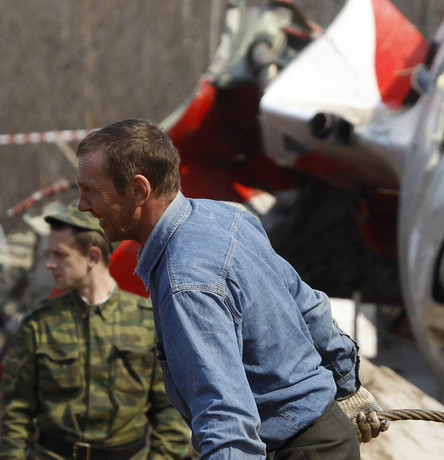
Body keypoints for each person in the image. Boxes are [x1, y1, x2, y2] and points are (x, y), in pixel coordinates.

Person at [75, 119, 386, 459]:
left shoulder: (186, 286)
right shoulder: (225, 218)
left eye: (91, 190)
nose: (82, 205)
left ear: (138, 190)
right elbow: (308, 306)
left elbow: (227, 422)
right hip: (329, 437)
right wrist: (347, 387)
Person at [0, 203, 191, 460]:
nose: (49, 264)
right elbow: (14, 411)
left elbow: (170, 411)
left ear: (92, 257)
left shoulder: (148, 322)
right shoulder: (39, 323)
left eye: (60, 255)